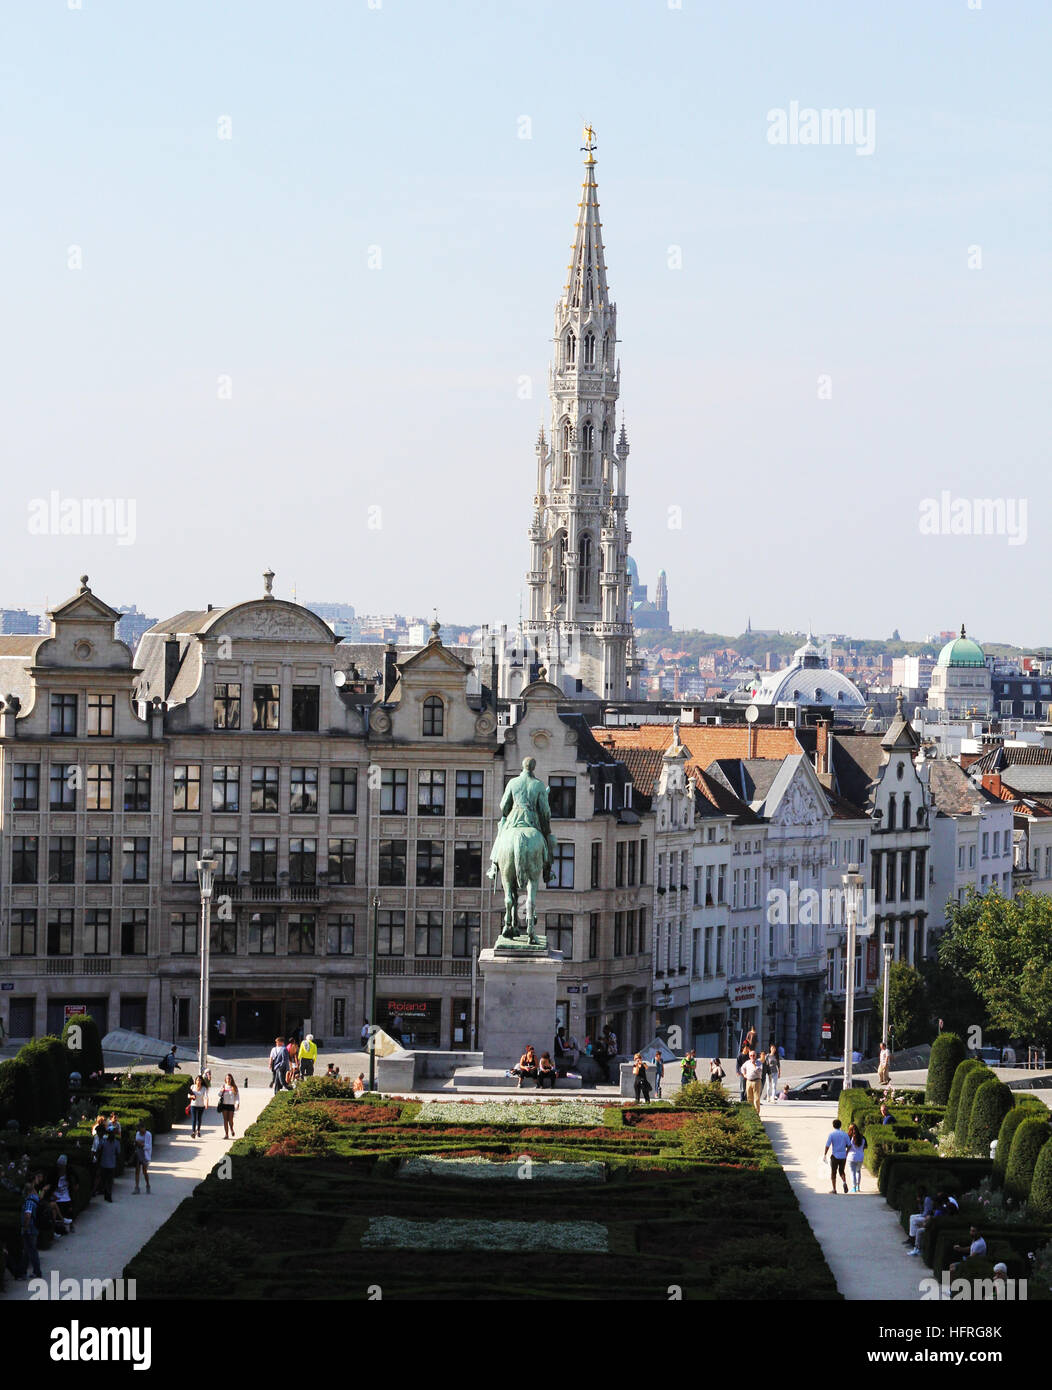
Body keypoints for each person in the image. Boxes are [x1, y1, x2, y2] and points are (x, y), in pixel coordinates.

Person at [16, 1181, 42, 1279]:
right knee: (28, 1251)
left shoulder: (29, 1202)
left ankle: (36, 1272)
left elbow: (27, 1215)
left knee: (31, 1251)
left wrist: (25, 1227)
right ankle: (24, 1272)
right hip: (34, 1228)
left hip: (29, 1230)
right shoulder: (36, 1199)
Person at [823, 1119, 851, 1194]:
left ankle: (834, 1189)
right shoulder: (845, 1134)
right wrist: (846, 1153)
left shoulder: (832, 1134)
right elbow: (849, 1145)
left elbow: (827, 1145)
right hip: (843, 1156)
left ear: (833, 1126)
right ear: (840, 1125)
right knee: (841, 1171)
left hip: (835, 1155)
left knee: (833, 1172)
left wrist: (825, 1154)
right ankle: (844, 1182)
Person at [905, 1185, 935, 1253]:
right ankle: (911, 1238)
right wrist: (919, 1203)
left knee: (914, 1220)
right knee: (912, 1216)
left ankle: (912, 1240)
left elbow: (927, 1212)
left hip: (927, 1217)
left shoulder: (927, 1199)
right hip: (924, 1215)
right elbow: (921, 1210)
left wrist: (920, 1216)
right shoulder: (923, 1198)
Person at [53, 1157, 76, 1232]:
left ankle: (71, 1225)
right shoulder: (54, 1173)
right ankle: (59, 1227)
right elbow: (48, 1185)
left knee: (70, 1209)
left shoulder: (69, 1171)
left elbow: (75, 1176)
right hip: (56, 1194)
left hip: (66, 1194)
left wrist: (76, 1184)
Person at [98, 1126, 119, 1202]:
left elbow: (99, 1150)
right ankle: (107, 1193)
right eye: (111, 1133)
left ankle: (108, 1194)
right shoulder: (114, 1142)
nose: (112, 1135)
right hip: (106, 1164)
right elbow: (118, 1153)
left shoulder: (105, 1141)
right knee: (106, 1180)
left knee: (108, 1180)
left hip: (108, 1164)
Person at [217, 1074, 240, 1139]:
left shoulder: (234, 1087)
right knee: (225, 1120)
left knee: (230, 1119)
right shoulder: (223, 1086)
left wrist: (237, 1103)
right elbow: (219, 1094)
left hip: (231, 1105)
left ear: (231, 1079)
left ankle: (232, 1129)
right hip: (224, 1105)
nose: (228, 1080)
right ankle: (226, 1134)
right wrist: (221, 1091)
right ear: (225, 1079)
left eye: (229, 1078)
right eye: (227, 1078)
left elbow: (237, 1097)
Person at [132, 1122, 152, 1194]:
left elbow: (148, 1146)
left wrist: (141, 1144)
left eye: (140, 1128)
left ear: (143, 1128)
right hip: (138, 1153)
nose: (139, 1130)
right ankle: (137, 1187)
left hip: (145, 1154)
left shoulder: (148, 1134)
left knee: (144, 1171)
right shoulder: (137, 1133)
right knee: (137, 1171)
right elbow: (136, 1142)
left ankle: (148, 1185)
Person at [742, 1049, 763, 1116]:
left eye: (753, 1055)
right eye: (751, 1055)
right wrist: (744, 1074)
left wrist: (754, 1064)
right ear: (749, 1056)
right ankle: (751, 1111)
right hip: (748, 1081)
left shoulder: (759, 1063)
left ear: (756, 1056)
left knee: (756, 1098)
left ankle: (757, 1112)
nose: (752, 1057)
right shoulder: (747, 1062)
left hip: (756, 1081)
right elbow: (742, 1068)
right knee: (749, 1098)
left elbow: (758, 1071)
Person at [846, 1123, 866, 1193]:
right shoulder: (862, 1137)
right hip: (860, 1157)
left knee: (852, 1173)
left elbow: (847, 1147)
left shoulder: (849, 1137)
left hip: (851, 1157)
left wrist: (845, 1154)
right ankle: (858, 1187)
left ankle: (854, 1188)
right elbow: (865, 1147)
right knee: (858, 1171)